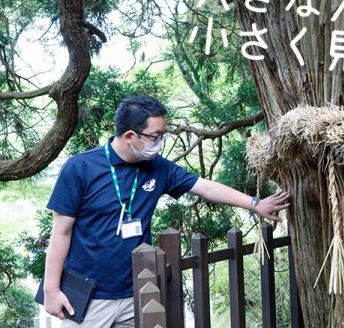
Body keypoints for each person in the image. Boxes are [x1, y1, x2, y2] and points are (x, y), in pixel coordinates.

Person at [42, 95, 290, 327]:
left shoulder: (158, 167)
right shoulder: (80, 168)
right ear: (130, 136)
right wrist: (51, 291)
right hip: (90, 299)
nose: (160, 142)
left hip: (138, 294)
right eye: (155, 136)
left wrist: (256, 204)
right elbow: (61, 233)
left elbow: (204, 187)